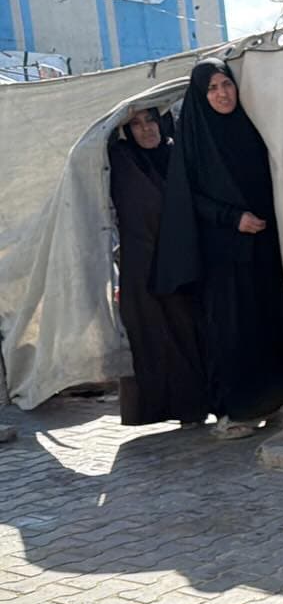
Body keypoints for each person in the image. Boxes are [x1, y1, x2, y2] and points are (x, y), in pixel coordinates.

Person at [154, 58, 283, 440]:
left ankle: (278, 400)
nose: (222, 94)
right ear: (202, 96)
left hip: (265, 246)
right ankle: (237, 412)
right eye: (212, 89)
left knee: (271, 322)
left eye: (226, 85)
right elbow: (188, 197)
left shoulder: (250, 127)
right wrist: (232, 218)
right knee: (233, 330)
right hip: (223, 253)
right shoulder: (195, 138)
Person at [107, 107, 208, 427]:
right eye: (135, 124)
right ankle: (167, 408)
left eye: (150, 120)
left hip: (184, 260)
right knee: (154, 337)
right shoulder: (123, 161)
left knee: (191, 332)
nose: (146, 129)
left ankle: (198, 405)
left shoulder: (177, 154)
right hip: (143, 265)